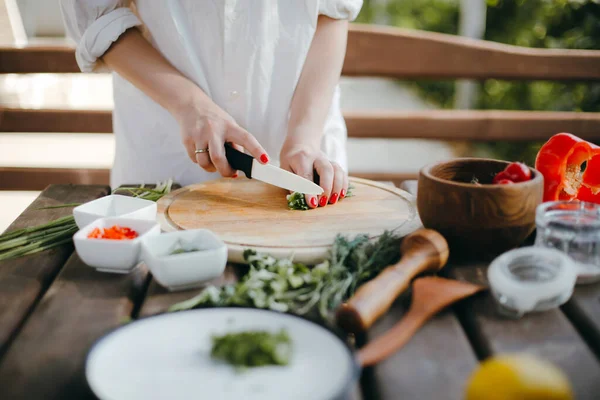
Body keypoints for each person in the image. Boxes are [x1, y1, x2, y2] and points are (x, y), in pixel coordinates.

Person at [60, 0, 362, 208]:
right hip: (167, 156)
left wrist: (304, 137)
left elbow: (332, 11)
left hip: (305, 151)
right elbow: (100, 17)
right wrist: (191, 106)